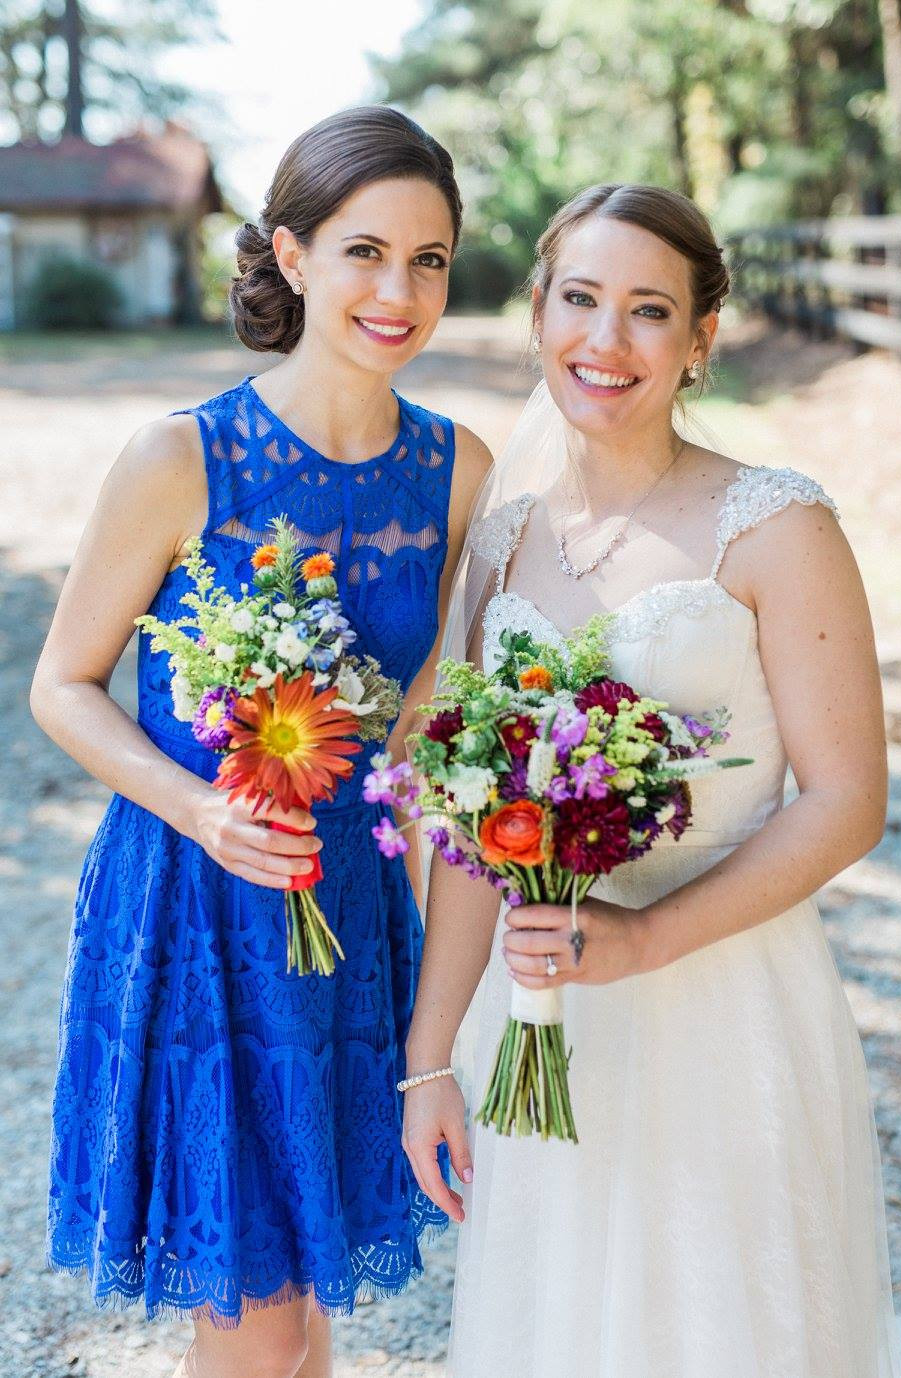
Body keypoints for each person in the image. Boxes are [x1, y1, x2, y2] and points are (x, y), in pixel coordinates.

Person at [403, 183, 901, 1377]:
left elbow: (846, 802)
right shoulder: (500, 538)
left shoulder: (776, 524)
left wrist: (641, 942)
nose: (605, 340)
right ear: (536, 314)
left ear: (699, 340)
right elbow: (481, 819)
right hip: (540, 1016)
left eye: (647, 310)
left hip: (724, 1000)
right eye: (580, 299)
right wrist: (430, 1056)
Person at [30, 105, 491, 1378]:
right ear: (290, 255)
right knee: (258, 1302)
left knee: (309, 1285)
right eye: (363, 251)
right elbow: (61, 686)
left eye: (430, 259)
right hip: (200, 900)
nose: (398, 291)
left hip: (352, 908)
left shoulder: (460, 474)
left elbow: (422, 738)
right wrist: (199, 809)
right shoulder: (182, 456)